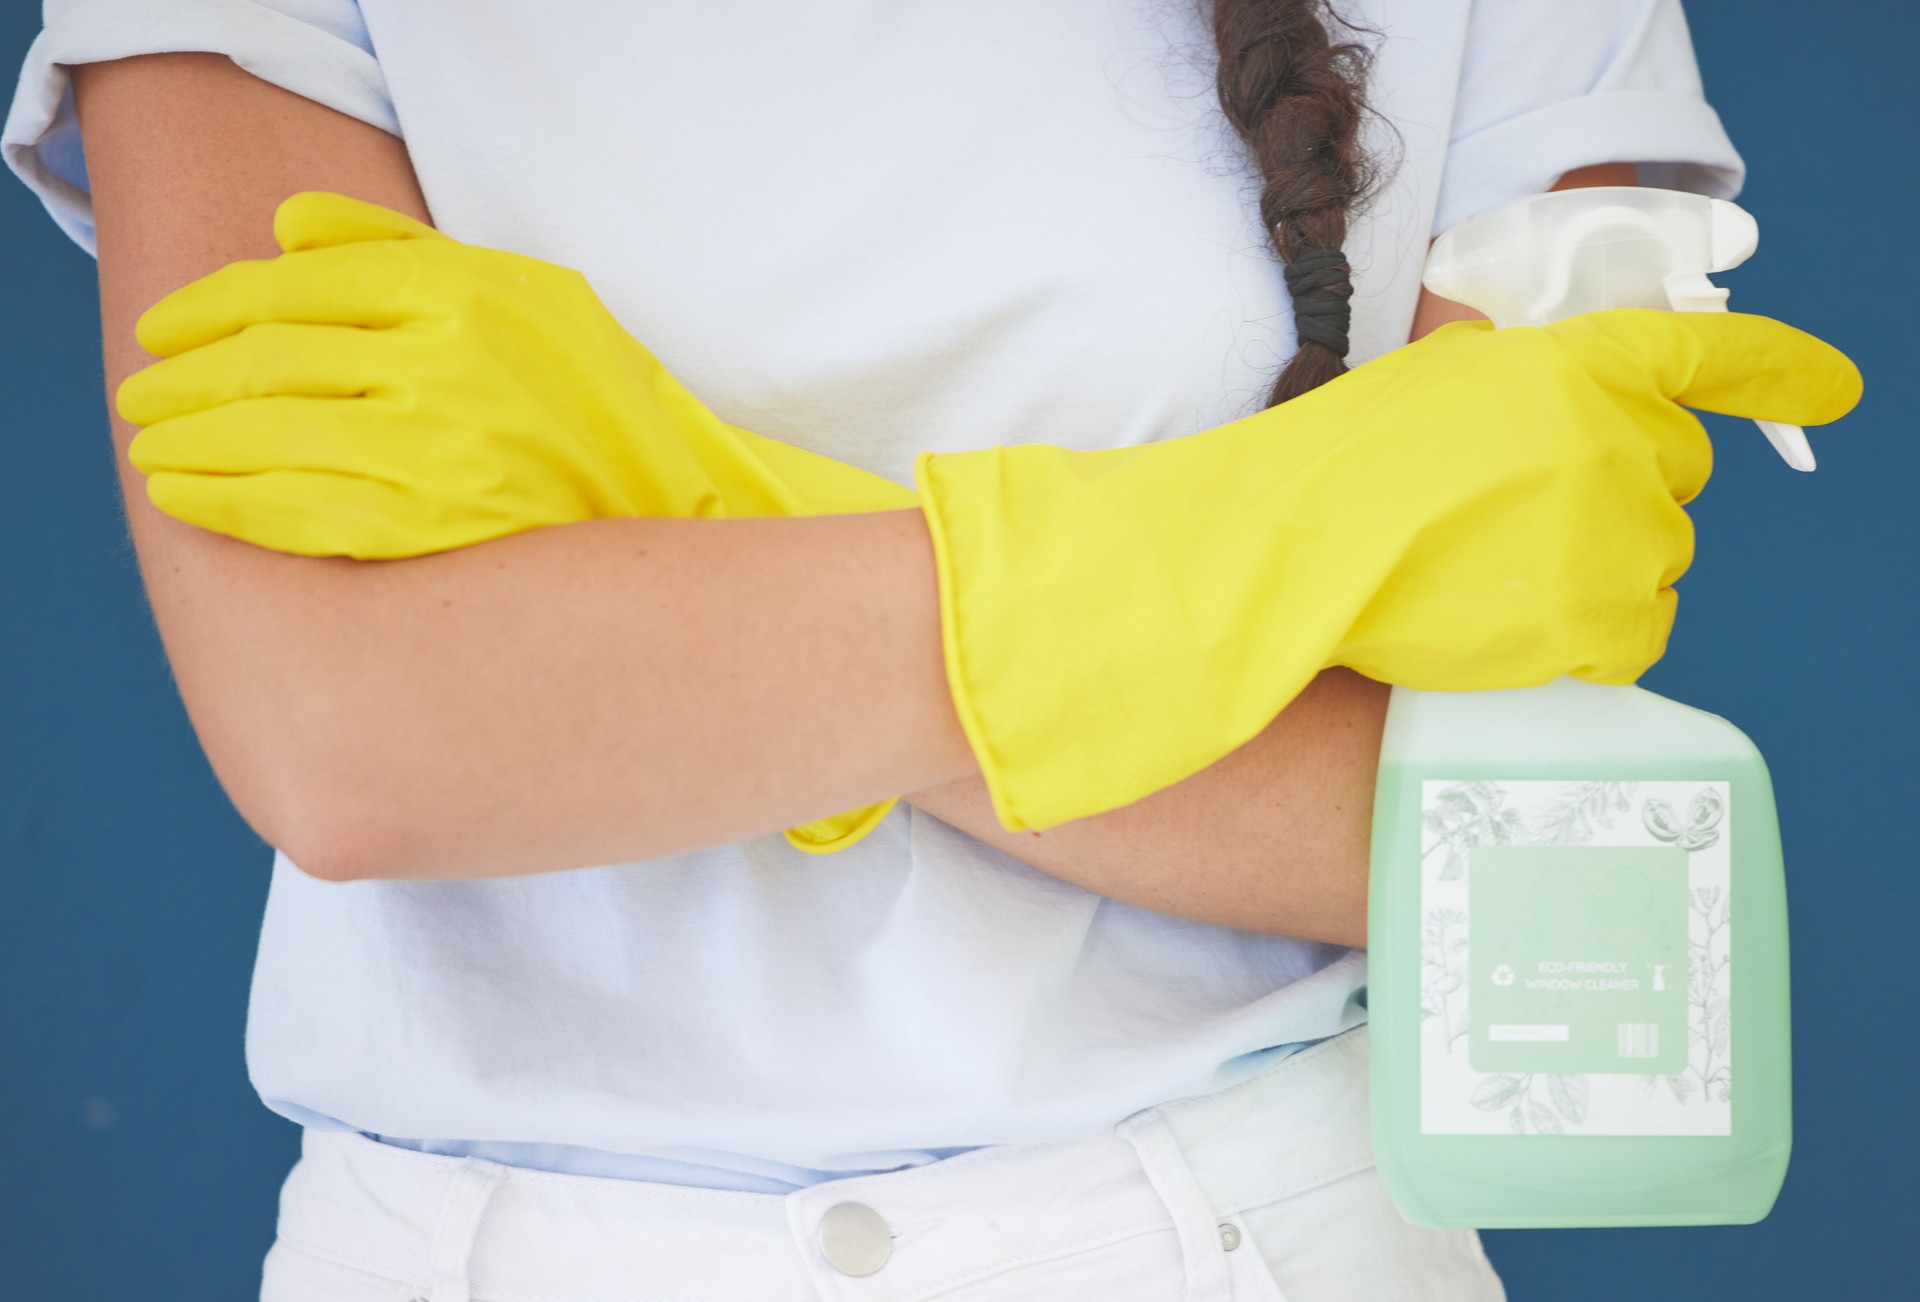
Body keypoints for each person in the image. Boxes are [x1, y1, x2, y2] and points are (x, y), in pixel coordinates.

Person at [1, 1, 1857, 1298]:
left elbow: (1500, 851)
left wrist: (661, 504)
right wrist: (1254, 559)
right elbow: (360, 734)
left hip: (1251, 1243)